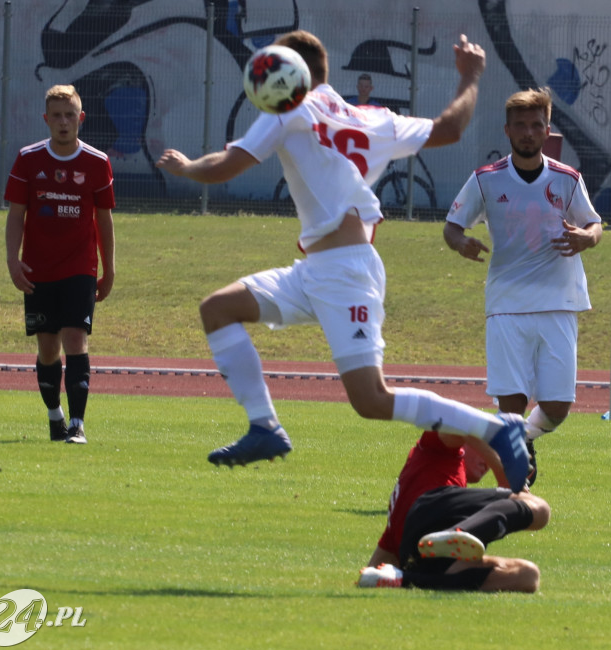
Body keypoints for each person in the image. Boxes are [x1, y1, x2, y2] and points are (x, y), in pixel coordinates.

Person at [155, 31, 530, 491]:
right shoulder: (371, 117)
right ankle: (265, 428)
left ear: (292, 73)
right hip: (317, 269)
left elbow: (226, 166)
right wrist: (471, 77)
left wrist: (187, 167)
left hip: (346, 273)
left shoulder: (291, 108)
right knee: (218, 308)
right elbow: (449, 129)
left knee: (371, 399)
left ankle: (497, 429)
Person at [442, 87, 602, 478]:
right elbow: (451, 226)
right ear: (508, 132)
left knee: (558, 408)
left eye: (535, 125)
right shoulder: (486, 180)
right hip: (507, 304)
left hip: (559, 302)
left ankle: (522, 440)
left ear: (547, 130)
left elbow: (594, 223)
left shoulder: (567, 178)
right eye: (520, 126)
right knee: (510, 406)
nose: (528, 132)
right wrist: (460, 241)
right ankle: (511, 475)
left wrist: (588, 237)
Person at [5, 84, 116, 445]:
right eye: (57, 116)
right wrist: (13, 260)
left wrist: (109, 268)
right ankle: (56, 417)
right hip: (38, 270)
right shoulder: (28, 159)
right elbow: (16, 216)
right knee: (47, 348)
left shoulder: (97, 162)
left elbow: (104, 220)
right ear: (46, 120)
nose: (64, 122)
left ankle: (78, 424)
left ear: (81, 118)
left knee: (75, 340)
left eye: (70, 115)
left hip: (80, 268)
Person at [357, 431, 550, 592]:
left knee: (528, 576)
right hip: (429, 513)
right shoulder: (437, 449)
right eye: (489, 449)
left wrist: (370, 576)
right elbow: (463, 424)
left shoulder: (415, 494)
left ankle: (404, 579)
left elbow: (378, 563)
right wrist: (505, 470)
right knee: (540, 509)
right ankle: (459, 532)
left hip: (423, 556)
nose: (488, 464)